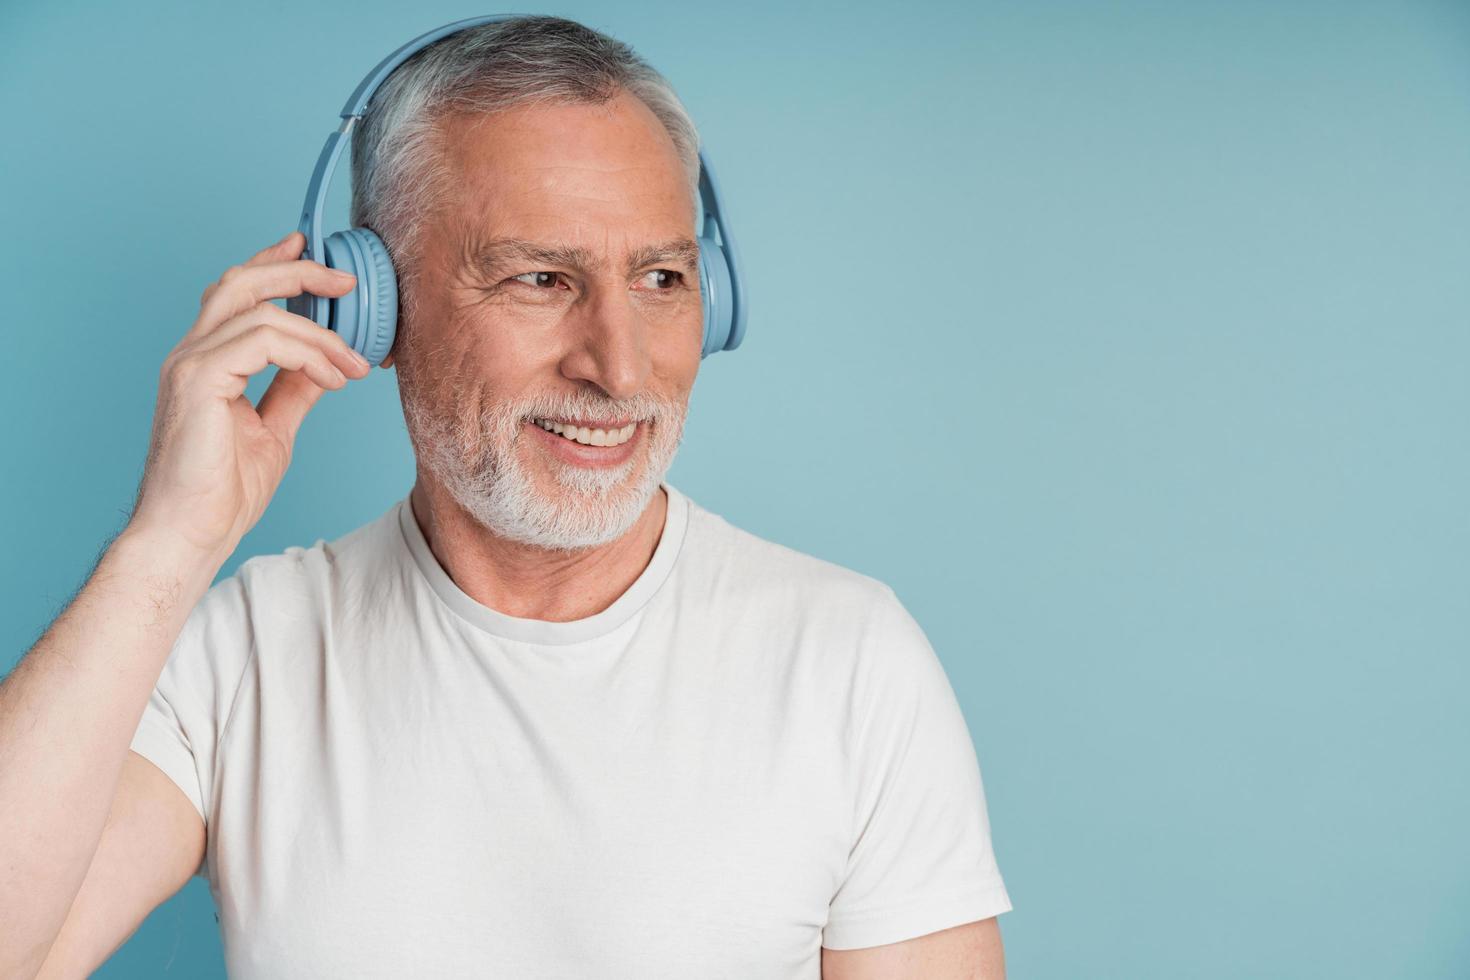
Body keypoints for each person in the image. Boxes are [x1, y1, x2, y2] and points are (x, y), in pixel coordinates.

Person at [0, 15, 1010, 979]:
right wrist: (167, 546)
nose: (620, 368)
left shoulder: (849, 661)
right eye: (539, 279)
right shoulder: (244, 655)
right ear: (373, 304)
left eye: (662, 277)